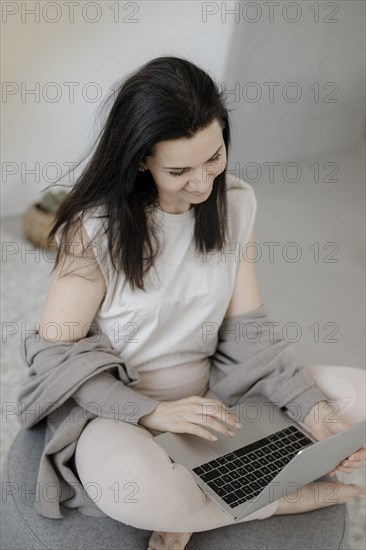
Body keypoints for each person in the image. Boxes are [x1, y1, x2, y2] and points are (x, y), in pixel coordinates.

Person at [42, 56, 365, 550]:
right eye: (179, 169)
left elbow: (248, 330)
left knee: (355, 398)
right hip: (123, 414)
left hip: (221, 397)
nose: (202, 183)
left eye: (214, 158)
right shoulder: (94, 230)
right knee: (131, 485)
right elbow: (56, 358)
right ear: (140, 159)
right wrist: (152, 413)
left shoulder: (236, 203)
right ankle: (281, 497)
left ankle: (205, 501)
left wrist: (314, 410)